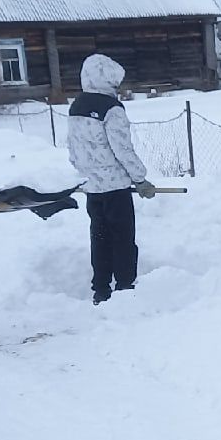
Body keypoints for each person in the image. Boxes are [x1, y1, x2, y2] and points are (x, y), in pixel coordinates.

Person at [67, 54, 155, 305]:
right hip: (116, 187)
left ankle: (101, 289)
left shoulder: (77, 106)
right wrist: (140, 179)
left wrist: (84, 175)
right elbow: (122, 149)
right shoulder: (112, 109)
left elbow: (73, 148)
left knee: (100, 237)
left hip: (92, 188)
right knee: (123, 238)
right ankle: (125, 287)